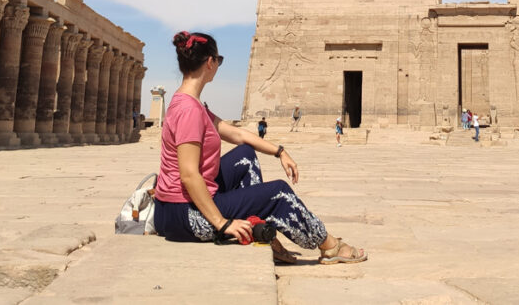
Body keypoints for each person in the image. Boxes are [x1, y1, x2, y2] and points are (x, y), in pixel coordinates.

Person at [153, 31, 367, 265]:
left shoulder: (189, 103)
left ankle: (258, 225)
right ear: (210, 62)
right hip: (183, 216)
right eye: (219, 61)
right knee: (278, 192)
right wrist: (223, 223)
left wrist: (279, 151)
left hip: (176, 210)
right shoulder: (189, 111)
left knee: (245, 156)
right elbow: (189, 175)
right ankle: (329, 245)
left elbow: (237, 134)